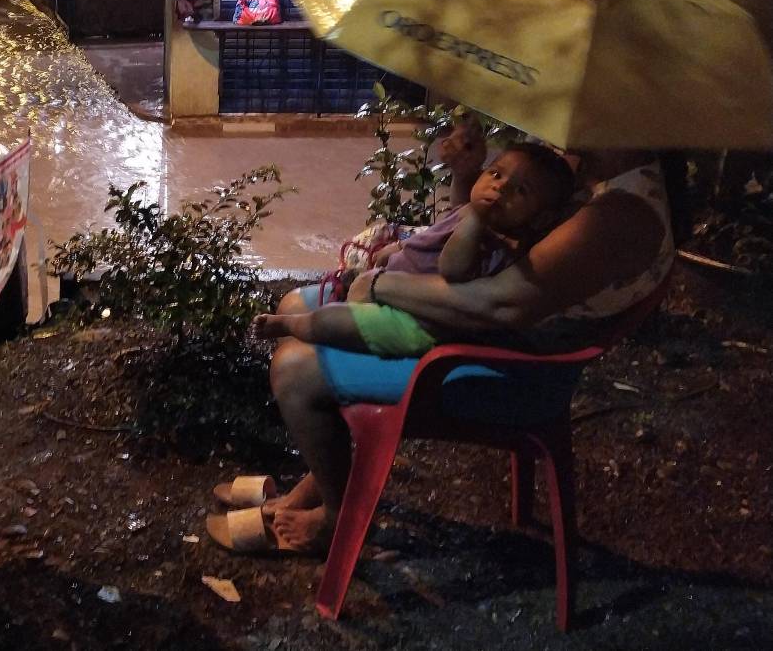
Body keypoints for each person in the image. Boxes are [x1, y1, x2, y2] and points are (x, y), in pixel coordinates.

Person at [209, 125, 676, 555]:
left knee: (294, 369)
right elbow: (470, 244)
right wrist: (466, 175)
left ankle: (336, 520)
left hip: (510, 365)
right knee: (294, 307)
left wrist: (380, 285)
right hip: (476, 326)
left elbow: (500, 305)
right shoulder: (578, 166)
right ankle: (319, 485)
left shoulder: (621, 213)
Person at [254, 143, 575, 357]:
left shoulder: (498, 243)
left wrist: (477, 217)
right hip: (394, 292)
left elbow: (452, 267)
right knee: (338, 307)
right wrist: (399, 245)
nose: (500, 187)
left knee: (328, 323)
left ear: (543, 216)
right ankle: (325, 332)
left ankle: (293, 327)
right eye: (496, 173)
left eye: (521, 190)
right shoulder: (472, 214)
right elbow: (437, 233)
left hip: (419, 322)